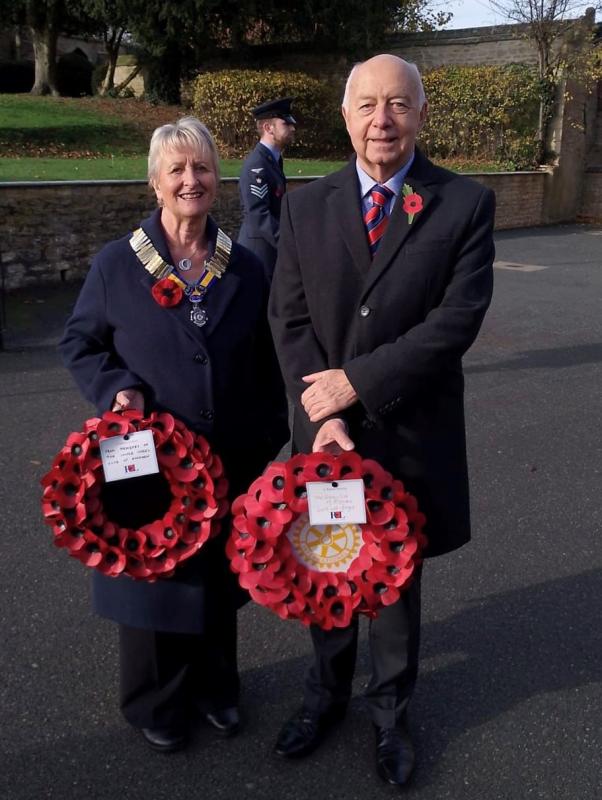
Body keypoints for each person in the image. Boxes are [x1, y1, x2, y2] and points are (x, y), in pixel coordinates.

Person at [268, 55, 495, 787]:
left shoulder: (462, 204)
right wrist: (323, 414)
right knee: (325, 570)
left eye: (398, 104)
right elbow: (289, 316)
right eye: (366, 105)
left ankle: (392, 712)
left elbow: (454, 321)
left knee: (394, 583)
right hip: (323, 436)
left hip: (405, 431)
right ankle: (326, 693)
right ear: (345, 117)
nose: (382, 120)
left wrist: (355, 386)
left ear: (421, 115)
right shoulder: (305, 206)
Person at [60, 116, 289, 754]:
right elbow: (79, 343)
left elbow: (268, 355)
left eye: (203, 168)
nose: (192, 180)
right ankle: (155, 701)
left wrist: (269, 429)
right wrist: (117, 389)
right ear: (155, 183)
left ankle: (218, 689)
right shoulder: (116, 265)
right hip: (151, 465)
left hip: (231, 456)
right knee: (154, 577)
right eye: (178, 170)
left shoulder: (244, 266)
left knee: (220, 577)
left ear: (218, 178)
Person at [237, 97, 296, 279]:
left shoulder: (272, 160)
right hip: (260, 254)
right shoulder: (258, 166)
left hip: (269, 252)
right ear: (268, 128)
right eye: (286, 124)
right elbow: (258, 215)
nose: (293, 128)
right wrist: (288, 242)